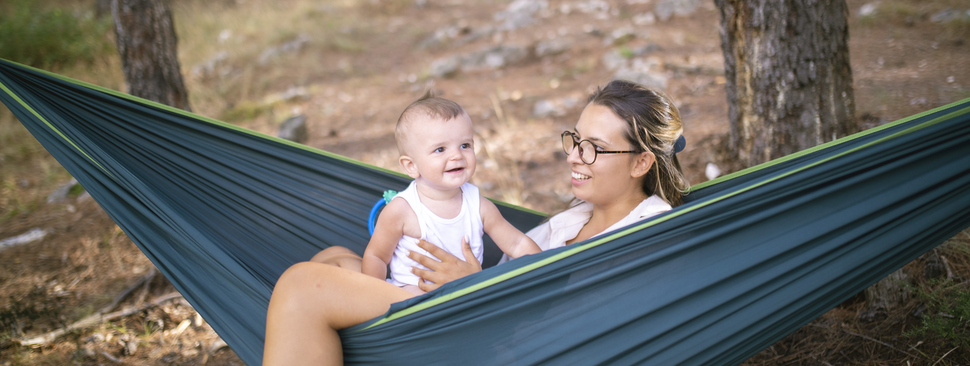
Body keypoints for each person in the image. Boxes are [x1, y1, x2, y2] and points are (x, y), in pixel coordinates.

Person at [263, 79, 690, 365]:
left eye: (594, 147)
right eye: (575, 140)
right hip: (466, 305)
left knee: (304, 287)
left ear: (642, 163)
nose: (574, 156)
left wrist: (472, 285)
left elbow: (581, 312)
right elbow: (520, 263)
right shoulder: (571, 219)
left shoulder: (647, 229)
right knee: (334, 259)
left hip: (491, 338)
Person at [361, 91, 540, 295]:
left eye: (465, 145)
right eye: (440, 149)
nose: (457, 155)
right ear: (411, 166)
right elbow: (376, 257)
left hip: (463, 299)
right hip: (410, 301)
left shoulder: (479, 206)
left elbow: (517, 244)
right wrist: (372, 298)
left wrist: (548, 268)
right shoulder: (402, 210)